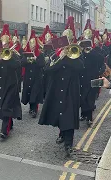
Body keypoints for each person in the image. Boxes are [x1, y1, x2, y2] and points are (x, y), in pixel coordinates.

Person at [39, 16, 84, 157]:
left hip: (71, 89)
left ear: (71, 41)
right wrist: (61, 57)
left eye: (68, 40)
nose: (66, 43)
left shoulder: (76, 54)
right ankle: (62, 134)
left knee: (69, 115)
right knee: (59, 113)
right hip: (57, 89)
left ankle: (68, 144)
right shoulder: (56, 54)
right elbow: (47, 69)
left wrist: (67, 58)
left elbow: (80, 68)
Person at [0, 23, 22, 138]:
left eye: (6, 44)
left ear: (9, 44)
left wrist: (8, 58)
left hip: (10, 84)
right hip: (0, 85)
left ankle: (4, 130)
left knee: (6, 107)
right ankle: (10, 122)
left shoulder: (13, 54)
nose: (4, 47)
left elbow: (18, 65)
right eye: (3, 45)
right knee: (2, 106)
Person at [79, 20, 105, 126]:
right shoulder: (80, 52)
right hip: (82, 78)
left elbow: (101, 60)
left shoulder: (96, 51)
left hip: (94, 78)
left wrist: (91, 50)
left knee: (91, 98)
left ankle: (89, 117)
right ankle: (83, 113)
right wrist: (82, 50)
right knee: (83, 97)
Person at [21, 30, 45, 118]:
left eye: (34, 45)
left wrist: (36, 59)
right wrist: (27, 60)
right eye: (31, 45)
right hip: (28, 77)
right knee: (29, 93)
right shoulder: (26, 53)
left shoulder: (40, 54)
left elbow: (42, 64)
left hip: (37, 77)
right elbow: (22, 63)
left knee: (35, 93)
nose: (32, 46)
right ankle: (31, 108)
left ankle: (34, 110)